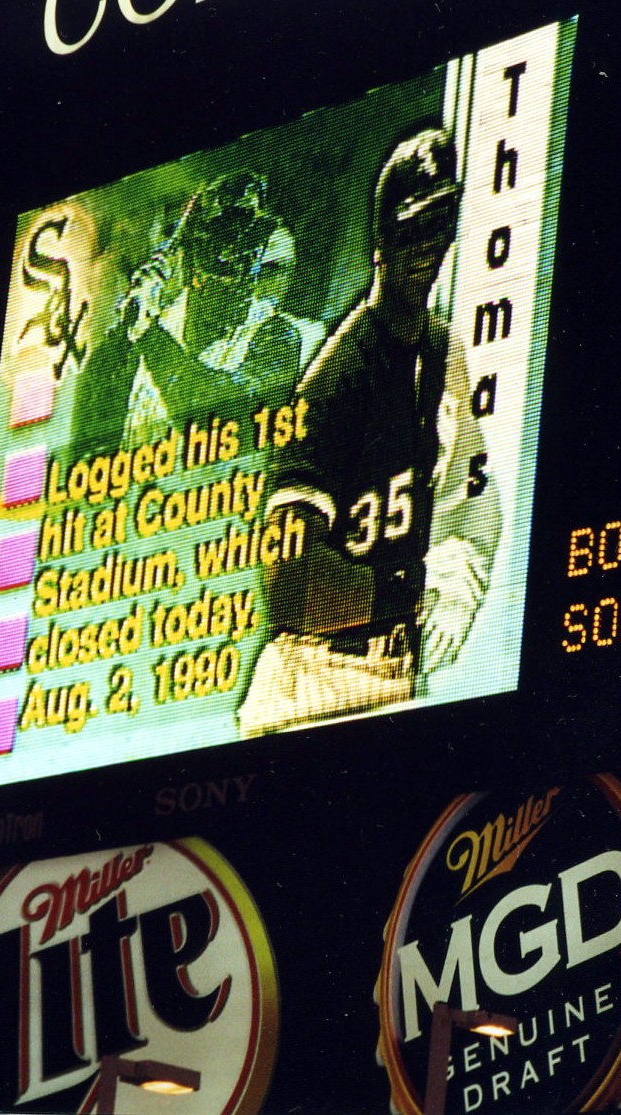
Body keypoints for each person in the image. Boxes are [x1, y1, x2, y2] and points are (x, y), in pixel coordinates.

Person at [237, 127, 500, 738]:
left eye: (440, 226)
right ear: (380, 242)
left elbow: (477, 500)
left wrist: (456, 585)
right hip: (312, 679)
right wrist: (404, 590)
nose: (427, 247)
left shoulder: (441, 350)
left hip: (395, 677)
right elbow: (289, 582)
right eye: (412, 230)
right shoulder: (338, 376)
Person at [70, 172, 322, 455]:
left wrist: (148, 333)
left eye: (264, 263)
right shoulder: (141, 336)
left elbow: (226, 417)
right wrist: (125, 331)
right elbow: (86, 449)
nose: (244, 272)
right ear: (193, 264)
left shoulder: (280, 337)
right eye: (225, 252)